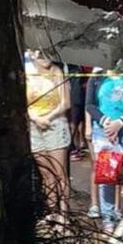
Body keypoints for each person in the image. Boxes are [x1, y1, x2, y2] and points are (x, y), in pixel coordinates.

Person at [85, 70, 123, 232]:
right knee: (107, 177)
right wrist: (106, 122)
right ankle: (108, 218)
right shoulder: (97, 77)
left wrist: (120, 123)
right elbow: (90, 104)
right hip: (103, 131)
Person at [26, 51, 71, 224]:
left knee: (60, 172)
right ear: (31, 54)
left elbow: (65, 102)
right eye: (38, 52)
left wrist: (48, 118)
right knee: (46, 174)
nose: (43, 56)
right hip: (34, 125)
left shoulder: (58, 72)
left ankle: (64, 215)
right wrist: (36, 119)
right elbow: (24, 102)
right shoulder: (28, 73)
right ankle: (51, 212)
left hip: (55, 124)